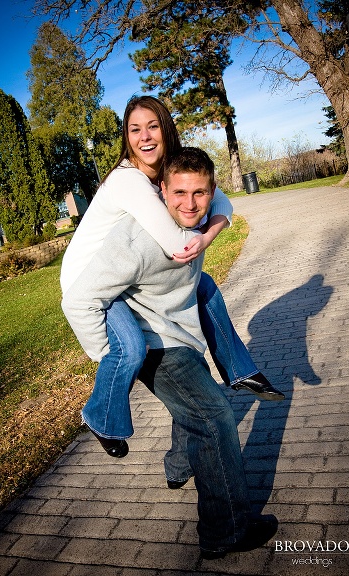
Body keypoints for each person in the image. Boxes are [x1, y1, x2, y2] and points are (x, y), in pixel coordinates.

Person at [62, 147, 278, 558]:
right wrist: (113, 354)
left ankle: (179, 468)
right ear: (161, 191)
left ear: (211, 191)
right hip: (158, 346)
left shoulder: (198, 217)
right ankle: (224, 532)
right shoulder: (137, 244)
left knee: (194, 407)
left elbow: (221, 207)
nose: (190, 203)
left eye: (200, 193)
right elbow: (78, 301)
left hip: (184, 333)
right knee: (213, 416)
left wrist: (214, 226)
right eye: (179, 193)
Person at [60, 95, 283, 467]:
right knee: (130, 349)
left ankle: (240, 371)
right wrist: (109, 356)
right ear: (126, 137)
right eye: (135, 129)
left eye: (152, 126)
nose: (145, 137)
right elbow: (178, 246)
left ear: (166, 129)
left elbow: (222, 203)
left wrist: (208, 235)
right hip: (93, 284)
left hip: (125, 275)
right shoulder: (128, 181)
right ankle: (102, 417)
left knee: (205, 286)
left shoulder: (166, 170)